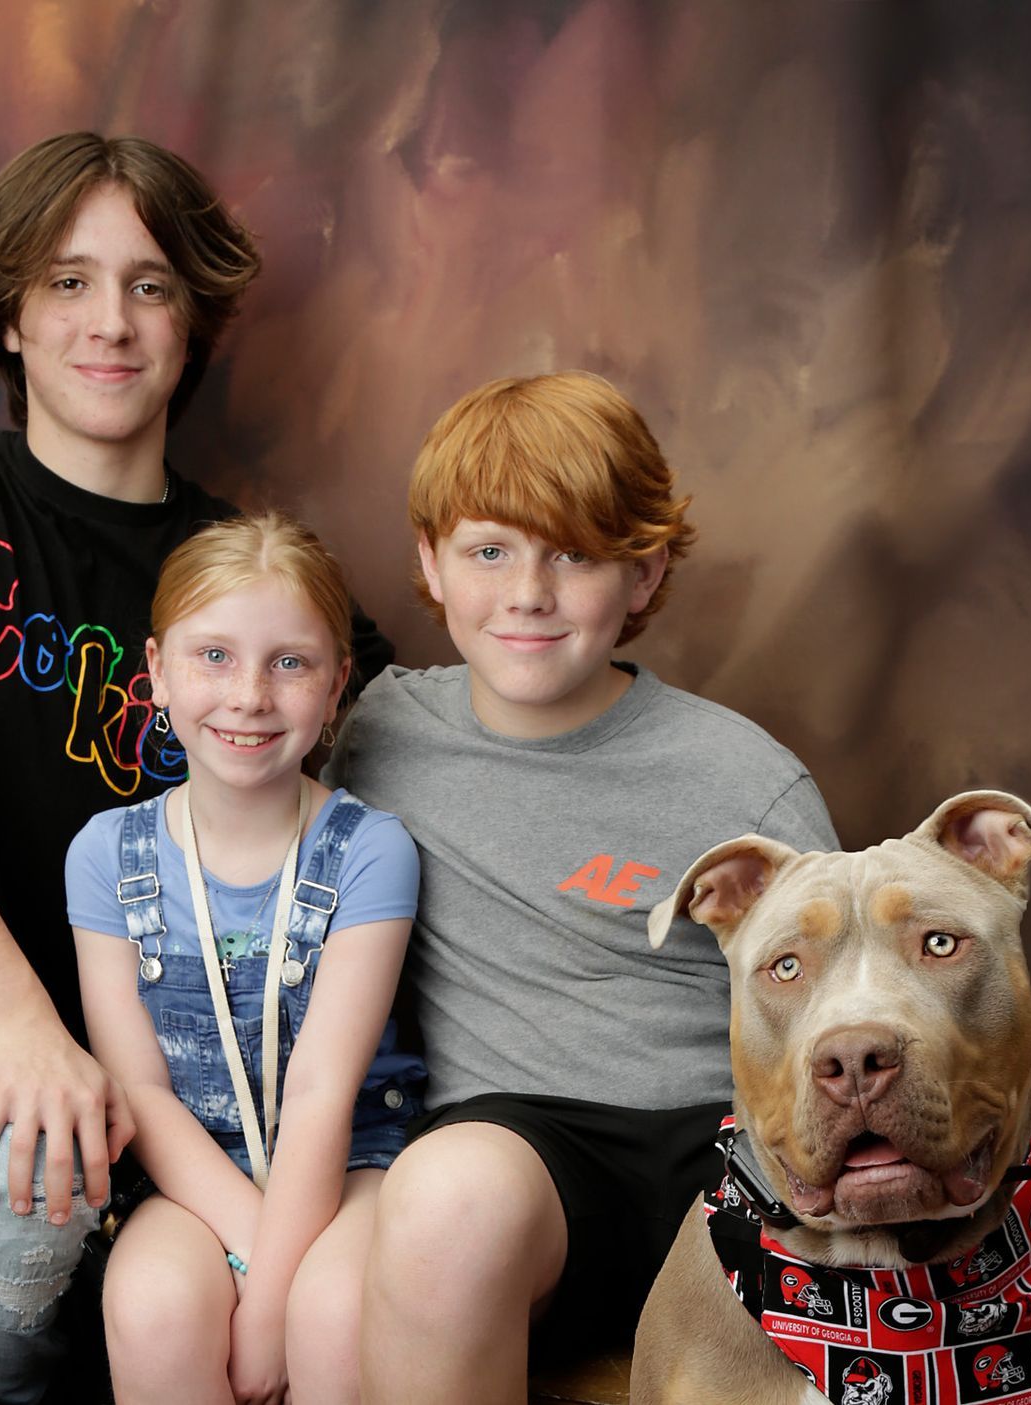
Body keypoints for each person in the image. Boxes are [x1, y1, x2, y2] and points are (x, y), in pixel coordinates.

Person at [0, 132, 390, 1405]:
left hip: (164, 1069)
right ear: (8, 317)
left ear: (191, 320)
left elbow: (396, 771)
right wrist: (28, 1034)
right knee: (33, 1172)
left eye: (150, 285)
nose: (110, 320)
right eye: (67, 281)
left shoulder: (246, 576)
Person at [327, 372, 840, 1404]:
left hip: (726, 1151)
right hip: (527, 1170)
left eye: (573, 552)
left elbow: (842, 1000)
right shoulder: (373, 733)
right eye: (489, 551)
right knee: (443, 1194)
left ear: (644, 575)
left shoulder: (741, 776)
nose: (528, 592)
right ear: (429, 562)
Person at [67, 513, 424, 1405]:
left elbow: (319, 1093)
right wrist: (259, 1254)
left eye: (290, 662)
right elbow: (141, 1090)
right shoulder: (108, 855)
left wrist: (271, 1306)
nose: (250, 695)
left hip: (348, 1164)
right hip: (194, 1171)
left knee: (332, 1311)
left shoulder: (371, 851)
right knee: (152, 1302)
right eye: (213, 656)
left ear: (337, 684)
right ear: (155, 671)